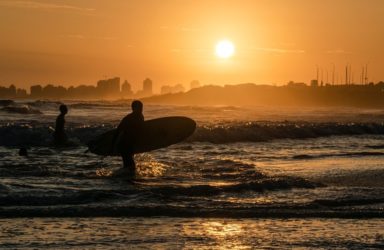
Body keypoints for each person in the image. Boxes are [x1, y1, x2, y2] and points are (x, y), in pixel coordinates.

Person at [114, 100, 144, 176]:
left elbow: (140, 131)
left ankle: (123, 178)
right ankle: (122, 178)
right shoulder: (129, 118)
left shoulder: (140, 116)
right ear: (133, 108)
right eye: (139, 107)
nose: (141, 109)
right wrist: (115, 144)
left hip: (130, 144)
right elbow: (119, 130)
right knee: (131, 166)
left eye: (141, 107)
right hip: (124, 144)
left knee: (129, 166)